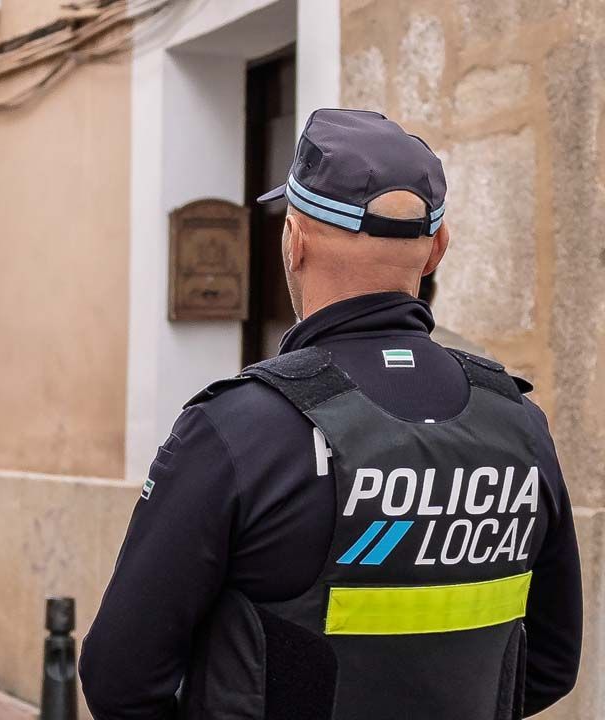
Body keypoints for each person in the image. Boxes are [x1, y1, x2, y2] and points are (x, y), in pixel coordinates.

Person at [79, 109, 581, 720]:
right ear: (436, 250)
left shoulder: (239, 429)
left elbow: (119, 679)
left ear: (292, 239)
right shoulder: (518, 425)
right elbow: (550, 663)